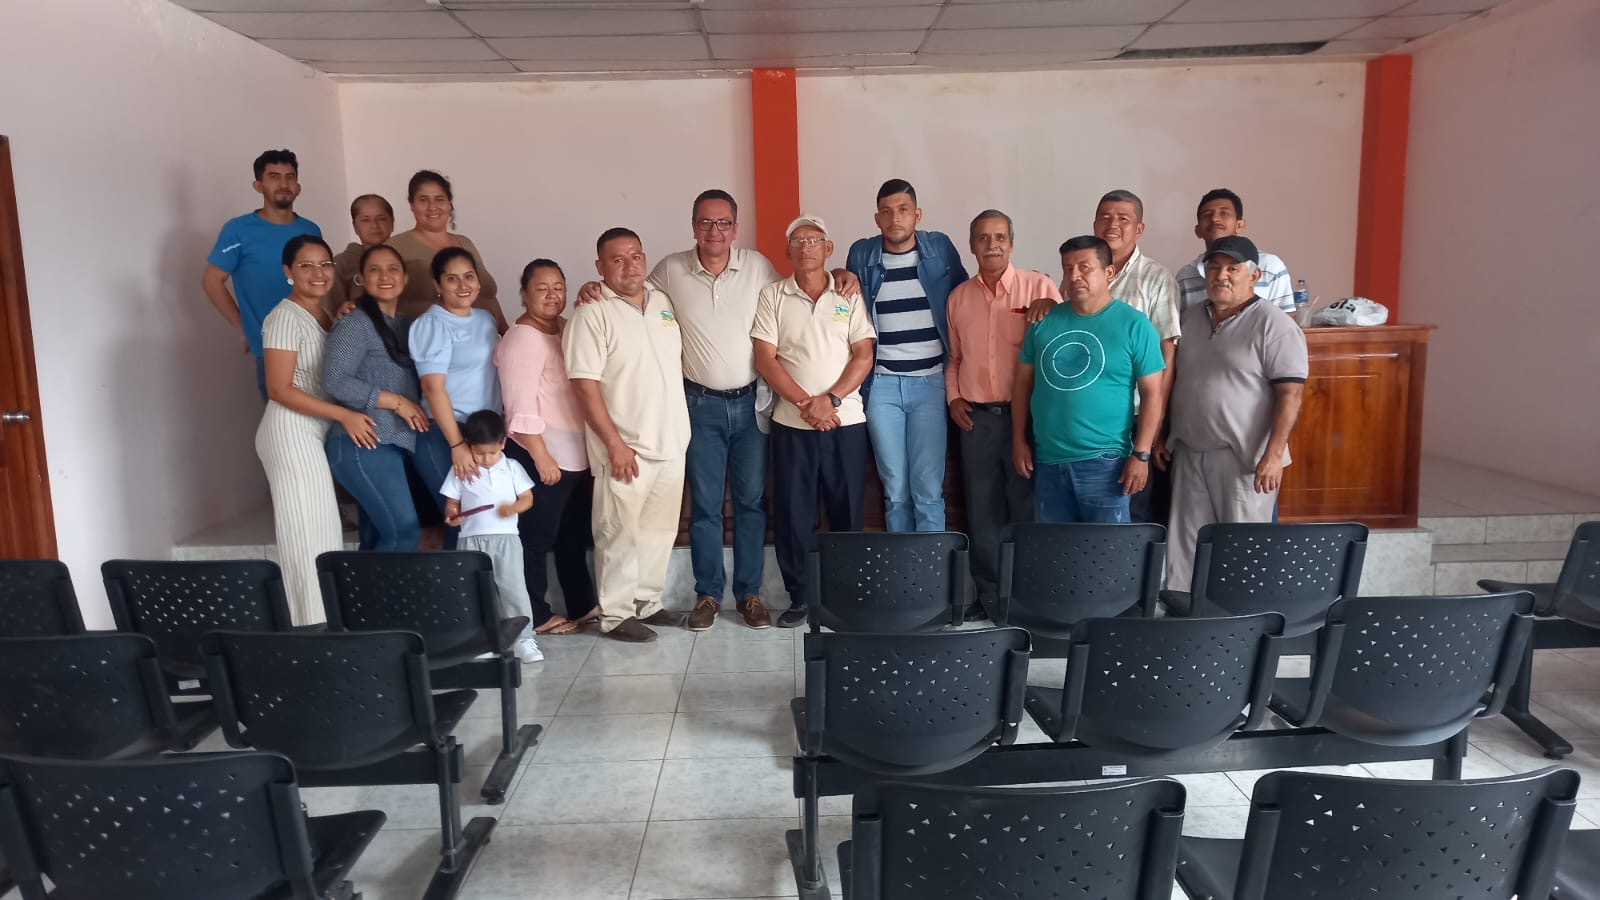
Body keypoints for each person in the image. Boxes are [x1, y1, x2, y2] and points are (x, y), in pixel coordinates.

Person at [563, 228, 691, 643]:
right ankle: (616, 614)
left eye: (635, 256)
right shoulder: (592, 313)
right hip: (625, 447)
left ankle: (646, 602)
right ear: (600, 267)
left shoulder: (662, 303)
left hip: (671, 441)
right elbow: (584, 385)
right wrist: (614, 444)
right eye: (617, 259)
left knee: (658, 531)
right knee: (618, 533)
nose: (629, 265)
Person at [1161, 236, 1308, 590]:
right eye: (1214, 267)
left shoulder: (1274, 325)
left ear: (1254, 275)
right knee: (1185, 555)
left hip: (1244, 461)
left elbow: (1291, 394)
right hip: (1189, 453)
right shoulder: (1191, 319)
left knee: (1243, 552)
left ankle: (1241, 620)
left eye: (1232, 268)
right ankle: (1186, 616)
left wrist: (1274, 455)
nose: (1221, 275)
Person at [754, 216, 876, 628]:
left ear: (828, 249)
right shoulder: (772, 295)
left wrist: (832, 400)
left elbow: (863, 354)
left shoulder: (848, 295)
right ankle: (801, 597)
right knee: (794, 513)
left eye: (814, 240)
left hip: (846, 421)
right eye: (798, 240)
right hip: (792, 423)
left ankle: (846, 597)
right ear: (787, 250)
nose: (806, 246)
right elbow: (766, 358)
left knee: (846, 511)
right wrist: (807, 404)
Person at [945, 210, 1060, 616]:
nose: (991, 245)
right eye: (982, 238)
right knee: (982, 511)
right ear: (971, 245)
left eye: (999, 237)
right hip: (976, 421)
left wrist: (1053, 307)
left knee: (1027, 509)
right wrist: (954, 398)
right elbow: (955, 359)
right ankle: (990, 597)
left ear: (1011, 243)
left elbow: (1064, 346)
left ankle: (1027, 596)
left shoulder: (1039, 287)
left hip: (1026, 419)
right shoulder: (958, 298)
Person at [257, 235, 375, 625]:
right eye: (306, 266)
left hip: (312, 431)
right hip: (291, 432)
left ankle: (326, 623)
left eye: (325, 264)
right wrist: (343, 415)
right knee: (306, 538)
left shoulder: (323, 315)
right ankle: (309, 628)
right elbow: (279, 388)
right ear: (288, 271)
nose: (318, 273)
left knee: (323, 531)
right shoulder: (284, 317)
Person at [844, 178, 969, 533]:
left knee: (928, 490)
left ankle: (931, 566)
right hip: (881, 386)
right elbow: (847, 296)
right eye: (886, 212)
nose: (895, 218)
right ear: (877, 218)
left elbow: (965, 295)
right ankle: (902, 567)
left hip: (930, 383)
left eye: (902, 210)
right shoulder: (862, 254)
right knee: (895, 489)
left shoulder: (939, 248)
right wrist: (839, 273)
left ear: (917, 214)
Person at [1013, 236, 1166, 524]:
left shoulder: (1135, 325)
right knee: (1054, 548)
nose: (1074, 276)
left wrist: (1141, 455)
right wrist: (1018, 440)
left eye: (1085, 267)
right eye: (1067, 268)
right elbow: (1022, 385)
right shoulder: (1043, 322)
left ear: (1109, 272)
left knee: (1107, 550)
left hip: (1107, 464)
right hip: (1048, 461)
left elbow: (1153, 394)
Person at [496, 258, 600, 636]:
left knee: (572, 534)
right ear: (524, 294)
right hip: (541, 452)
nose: (552, 295)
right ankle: (535, 614)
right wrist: (541, 456)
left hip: (573, 452)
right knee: (536, 537)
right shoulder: (522, 338)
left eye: (558, 287)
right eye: (541, 289)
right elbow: (518, 405)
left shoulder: (564, 329)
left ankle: (582, 604)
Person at [322, 244, 434, 550]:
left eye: (393, 269)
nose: (385, 276)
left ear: (406, 278)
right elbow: (335, 380)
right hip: (365, 443)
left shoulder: (407, 325)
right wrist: (396, 402)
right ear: (361, 279)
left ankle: (363, 585)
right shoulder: (355, 323)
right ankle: (389, 588)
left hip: (393, 444)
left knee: (375, 540)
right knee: (403, 532)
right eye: (375, 270)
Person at [202, 149, 322, 399]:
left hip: (314, 344)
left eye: (289, 177)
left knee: (322, 418)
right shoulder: (238, 230)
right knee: (283, 420)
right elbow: (212, 281)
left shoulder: (311, 230)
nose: (283, 184)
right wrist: (241, 327)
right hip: (271, 348)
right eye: (274, 177)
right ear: (259, 185)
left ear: (298, 187)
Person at [410, 247, 503, 542]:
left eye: (469, 276)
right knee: (462, 519)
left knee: (483, 521)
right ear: (437, 285)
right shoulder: (432, 324)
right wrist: (457, 444)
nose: (463, 285)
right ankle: (458, 575)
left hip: (483, 433)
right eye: (452, 279)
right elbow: (432, 388)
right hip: (446, 433)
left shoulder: (486, 319)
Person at [441, 410, 542, 663]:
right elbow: (452, 503)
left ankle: (523, 639)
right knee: (475, 591)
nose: (486, 459)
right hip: (470, 541)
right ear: (468, 446)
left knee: (513, 589)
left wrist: (514, 508)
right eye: (480, 453)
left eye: (492, 453)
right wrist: (452, 515)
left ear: (503, 444)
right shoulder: (460, 469)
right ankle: (481, 641)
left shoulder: (512, 467)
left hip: (506, 540)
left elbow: (527, 498)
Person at [388, 170, 509, 330]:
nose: (432, 207)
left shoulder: (465, 243)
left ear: (449, 204)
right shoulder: (395, 247)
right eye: (423, 200)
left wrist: (507, 334)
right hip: (432, 341)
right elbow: (377, 299)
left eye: (439, 199)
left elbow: (489, 297)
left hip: (486, 337)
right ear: (412, 205)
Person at [1175, 189, 1295, 311]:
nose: (1214, 219)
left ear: (1239, 225)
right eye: (1207, 214)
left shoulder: (1270, 266)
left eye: (1224, 213)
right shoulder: (1185, 277)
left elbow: (1286, 318)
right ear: (1198, 230)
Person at [324, 193, 396, 318]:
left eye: (381, 219)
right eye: (365, 220)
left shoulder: (406, 257)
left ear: (392, 223)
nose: (374, 225)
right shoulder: (341, 264)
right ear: (355, 227)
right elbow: (329, 312)